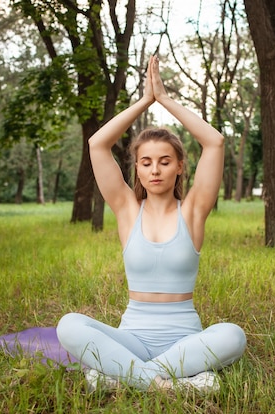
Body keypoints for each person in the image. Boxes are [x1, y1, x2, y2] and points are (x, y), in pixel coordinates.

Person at [56, 56, 246, 393]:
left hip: (184, 343)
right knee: (69, 325)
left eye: (164, 161)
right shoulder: (127, 210)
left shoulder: (193, 212)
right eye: (146, 162)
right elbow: (97, 144)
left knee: (233, 335)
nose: (155, 169)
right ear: (138, 170)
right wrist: (144, 100)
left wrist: (166, 99)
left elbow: (214, 141)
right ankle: (169, 386)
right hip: (131, 339)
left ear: (179, 167)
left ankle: (123, 378)